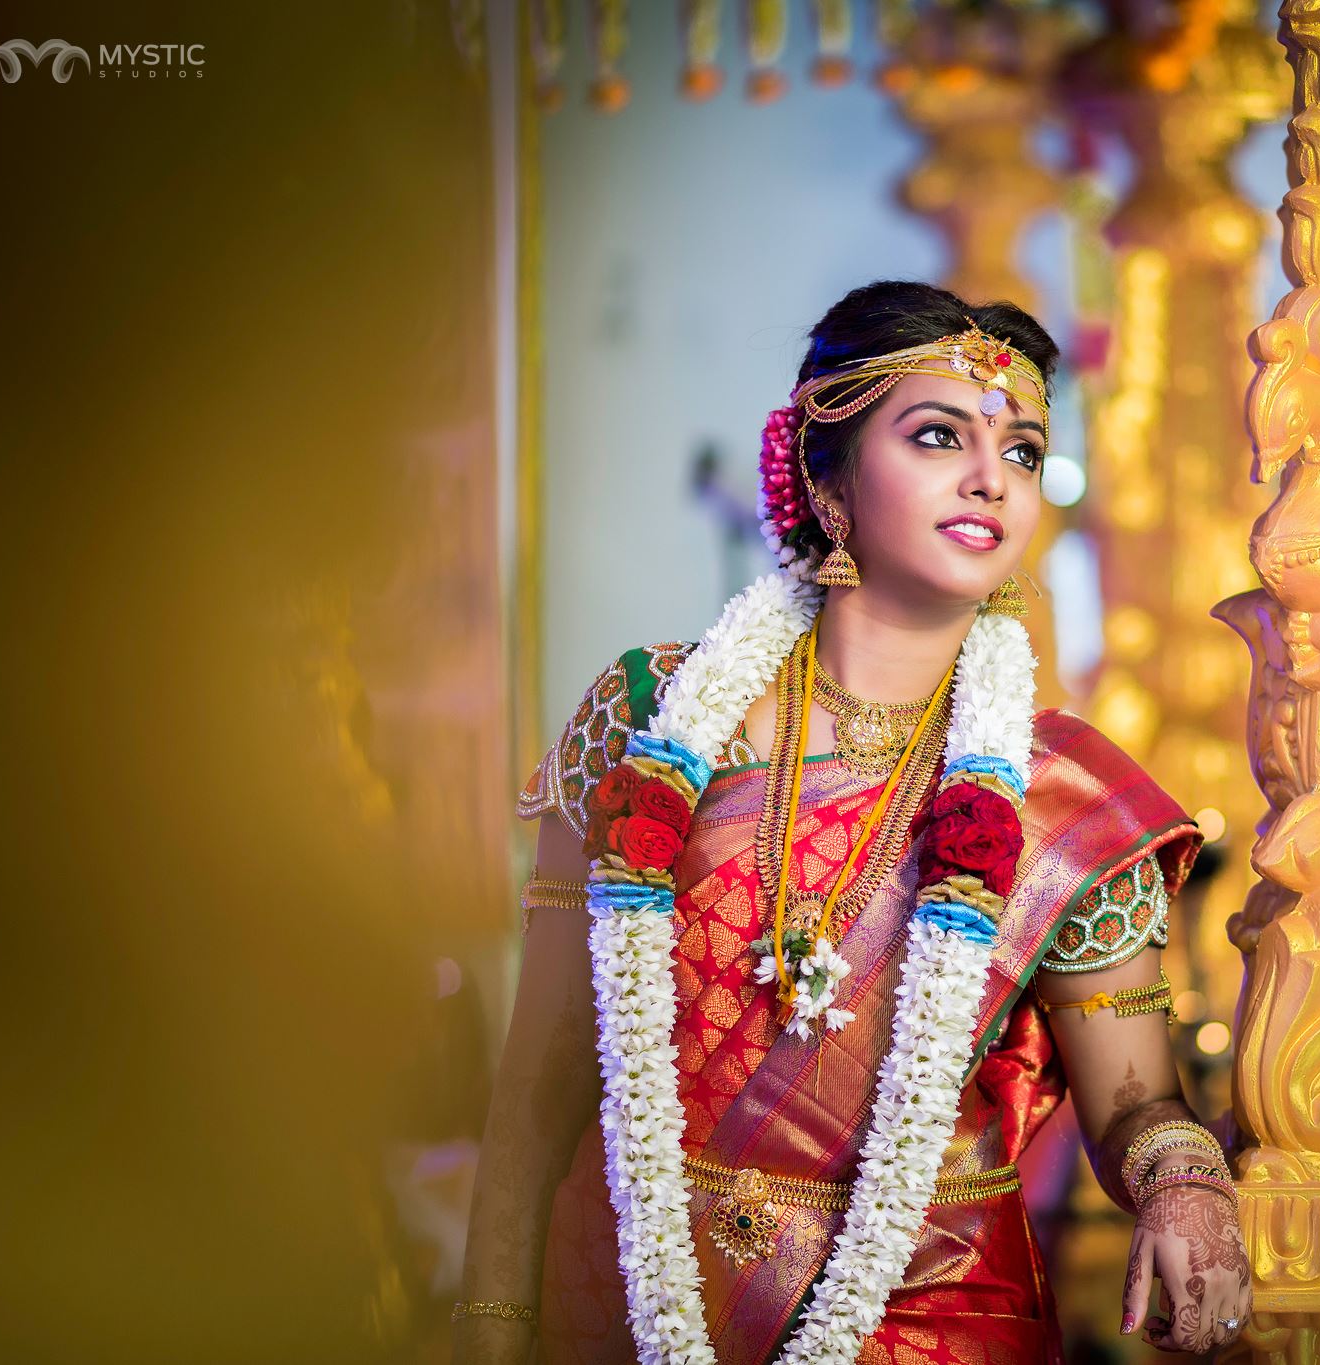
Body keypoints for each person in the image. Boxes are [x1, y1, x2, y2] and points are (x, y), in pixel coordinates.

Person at [454, 280, 1251, 1365]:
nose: (990, 477)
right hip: (627, 1304)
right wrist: (490, 1332)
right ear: (826, 483)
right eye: (938, 436)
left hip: (930, 1323)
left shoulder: (1061, 791)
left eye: (1020, 451)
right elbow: (535, 1100)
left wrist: (1183, 1183)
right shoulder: (649, 720)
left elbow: (1135, 1105)